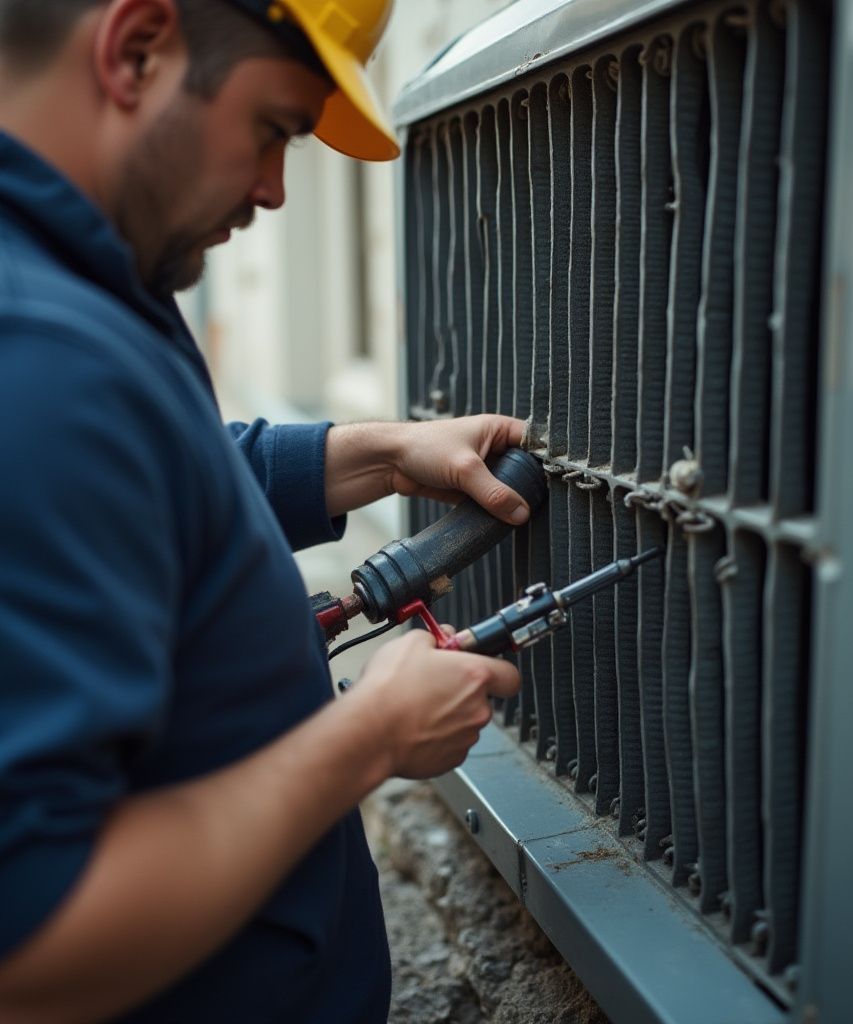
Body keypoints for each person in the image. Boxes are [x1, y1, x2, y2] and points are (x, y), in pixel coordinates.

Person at [0, 1, 527, 1020]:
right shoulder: (39, 361)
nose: (276, 189)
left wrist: (374, 454)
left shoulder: (78, 277)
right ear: (136, 50)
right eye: (274, 128)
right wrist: (370, 738)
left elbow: (145, 480)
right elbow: (31, 941)